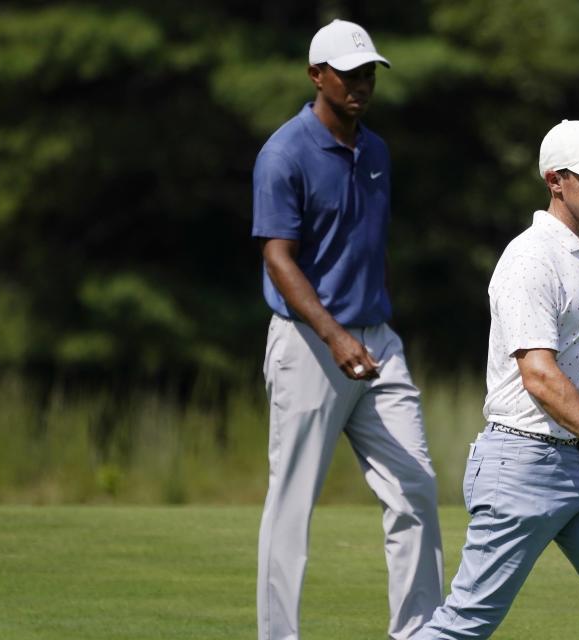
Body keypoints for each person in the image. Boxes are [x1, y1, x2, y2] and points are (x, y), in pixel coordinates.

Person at [415, 120, 579, 639]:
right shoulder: (530, 258)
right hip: (523, 465)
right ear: (555, 180)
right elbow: (538, 374)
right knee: (467, 623)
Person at [251, 19, 443, 640]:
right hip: (311, 344)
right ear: (316, 75)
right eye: (348, 73)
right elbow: (279, 258)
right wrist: (335, 335)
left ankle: (418, 632)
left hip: (377, 340)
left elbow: (372, 242)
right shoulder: (284, 153)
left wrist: (375, 316)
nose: (361, 84)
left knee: (415, 487)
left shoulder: (377, 151)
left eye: (368, 73)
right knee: (292, 505)